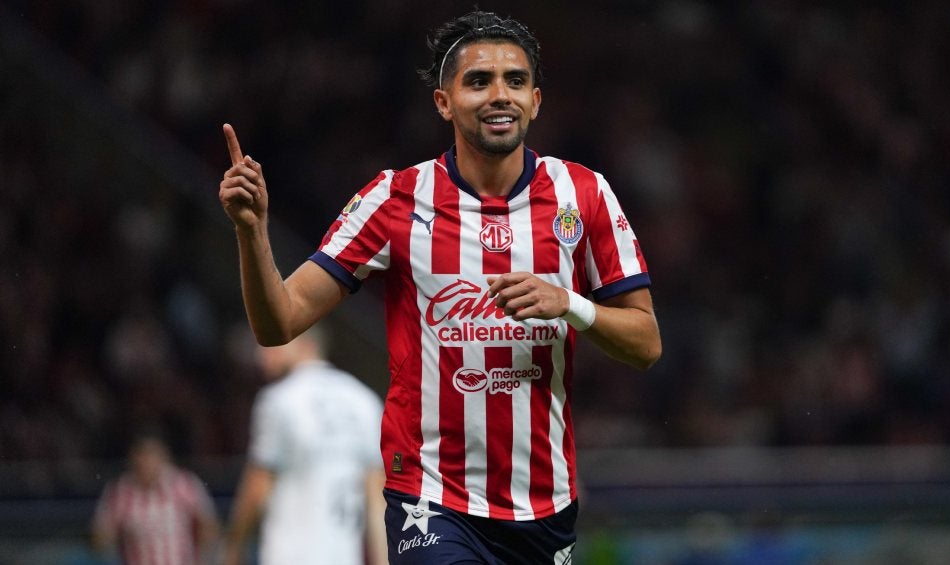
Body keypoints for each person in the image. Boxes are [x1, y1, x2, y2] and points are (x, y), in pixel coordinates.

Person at [218, 9, 661, 564]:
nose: (499, 95)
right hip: (430, 500)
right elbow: (279, 322)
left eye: (515, 81)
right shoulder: (393, 199)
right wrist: (251, 231)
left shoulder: (584, 194)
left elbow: (646, 343)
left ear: (535, 101)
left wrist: (570, 304)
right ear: (443, 102)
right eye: (479, 81)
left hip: (544, 505)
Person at [222, 325, 387, 565]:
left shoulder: (278, 400)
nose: (263, 353)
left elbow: (258, 486)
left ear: (306, 344)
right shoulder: (364, 399)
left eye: (274, 343)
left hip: (289, 556)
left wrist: (234, 546)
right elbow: (376, 500)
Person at [91, 429, 220, 565]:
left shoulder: (184, 484)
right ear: (133, 458)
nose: (146, 462)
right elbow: (101, 537)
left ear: (164, 457)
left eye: (152, 455)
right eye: (142, 456)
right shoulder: (120, 491)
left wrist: (203, 558)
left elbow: (209, 527)